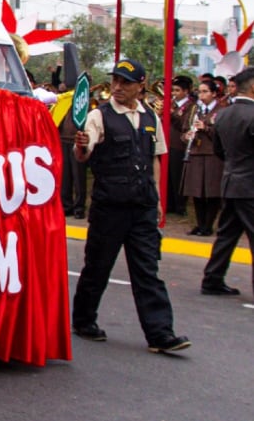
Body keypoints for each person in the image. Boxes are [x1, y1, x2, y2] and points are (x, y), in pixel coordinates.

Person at [71, 59, 190, 354]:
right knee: (98, 267)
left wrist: (157, 199)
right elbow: (83, 153)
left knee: (148, 270)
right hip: (110, 206)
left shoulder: (150, 117)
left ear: (140, 85)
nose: (118, 87)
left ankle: (160, 334)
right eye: (116, 81)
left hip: (142, 206)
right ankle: (84, 320)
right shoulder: (99, 116)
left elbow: (155, 159)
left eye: (126, 82)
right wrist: (81, 145)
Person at [202, 65, 254, 297]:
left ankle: (212, 279)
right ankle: (212, 279)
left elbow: (219, 150)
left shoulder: (223, 114)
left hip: (230, 180)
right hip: (250, 186)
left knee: (227, 234)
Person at [181, 79, 224, 236]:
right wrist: (186, 136)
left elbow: (223, 134)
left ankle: (208, 225)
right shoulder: (194, 109)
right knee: (196, 191)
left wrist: (206, 128)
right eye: (199, 91)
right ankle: (199, 225)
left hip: (213, 155)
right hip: (195, 153)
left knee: (212, 192)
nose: (201, 95)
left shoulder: (221, 110)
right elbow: (183, 130)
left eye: (205, 91)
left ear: (214, 93)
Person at [167, 75, 195, 217]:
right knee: (168, 176)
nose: (174, 93)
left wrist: (172, 114)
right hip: (167, 143)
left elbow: (185, 125)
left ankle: (180, 205)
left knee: (177, 175)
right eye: (173, 90)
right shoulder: (171, 103)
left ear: (186, 91)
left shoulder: (191, 106)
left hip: (179, 145)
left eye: (177, 90)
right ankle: (169, 204)